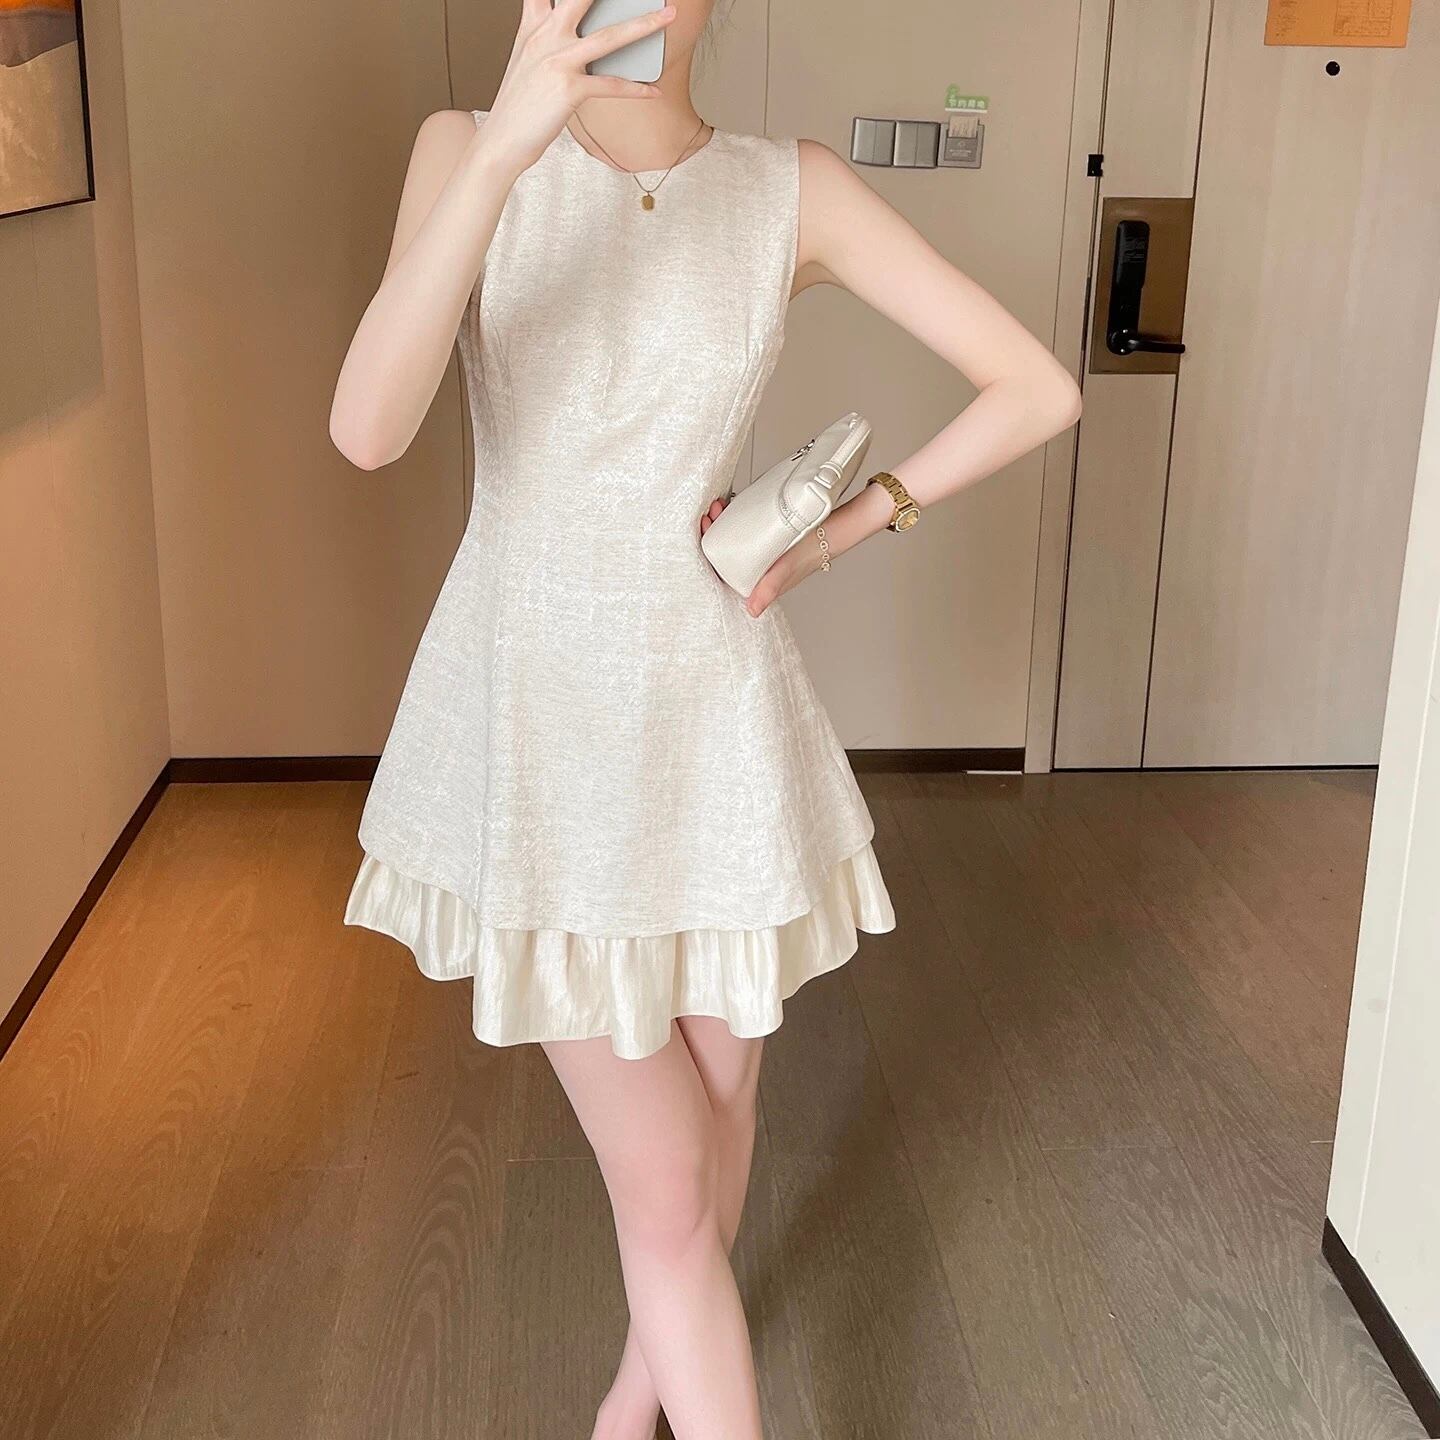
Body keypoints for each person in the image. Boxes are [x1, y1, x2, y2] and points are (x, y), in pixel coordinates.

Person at [329, 2, 1081, 1436]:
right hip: (541, 729)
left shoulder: (790, 189)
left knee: (712, 1144)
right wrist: (504, 150)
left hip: (717, 727)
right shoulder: (462, 148)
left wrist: (838, 531)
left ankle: (632, 1404)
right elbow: (368, 429)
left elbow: (1037, 388)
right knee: (671, 1186)